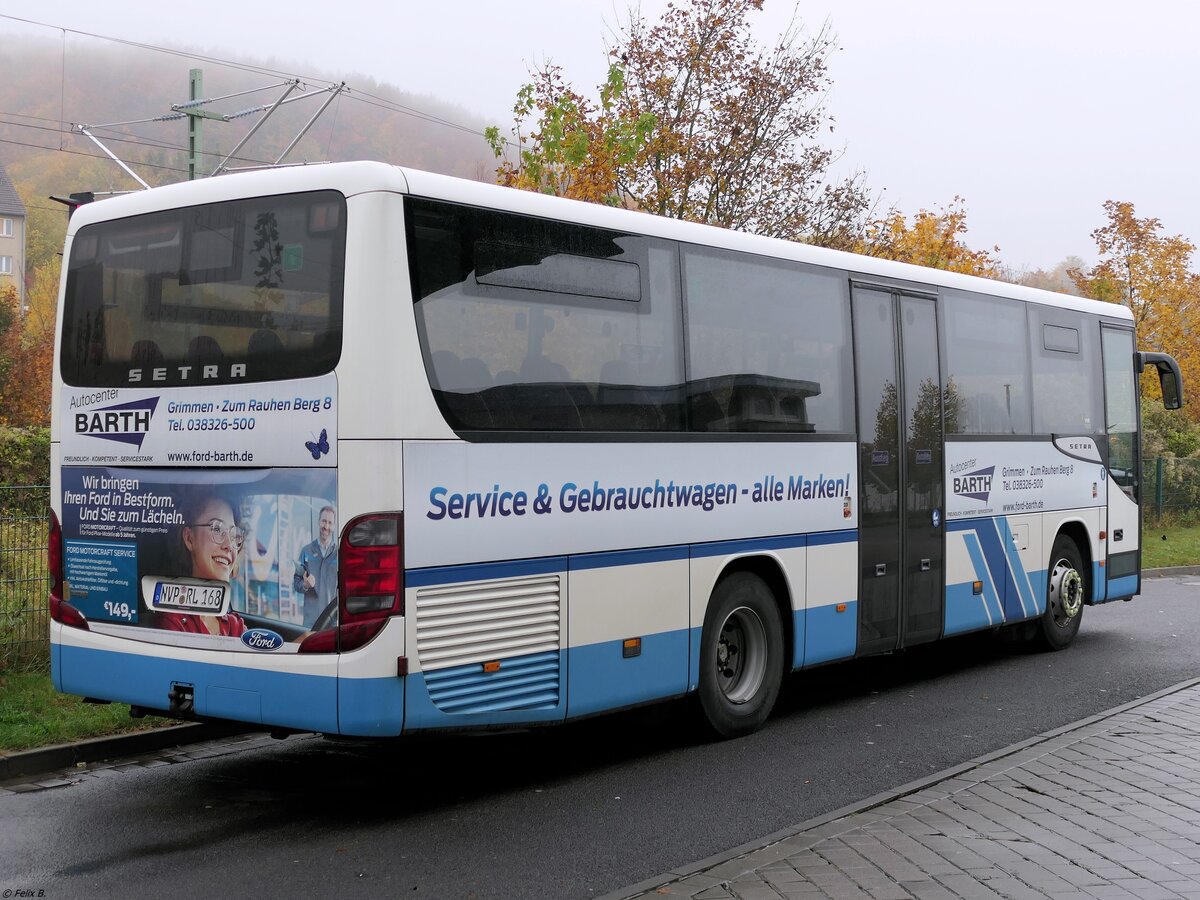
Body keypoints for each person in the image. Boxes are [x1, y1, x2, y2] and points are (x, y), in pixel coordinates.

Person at [157, 493, 247, 637]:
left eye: (234, 534)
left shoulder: (234, 624)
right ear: (189, 538)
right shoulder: (174, 622)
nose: (229, 545)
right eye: (217, 529)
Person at [294, 505, 337, 628]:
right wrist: (305, 585)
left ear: (333, 525)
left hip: (331, 623)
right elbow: (296, 584)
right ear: (319, 522)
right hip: (310, 623)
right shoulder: (306, 551)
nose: (326, 526)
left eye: (330, 523)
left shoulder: (338, 554)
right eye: (324, 521)